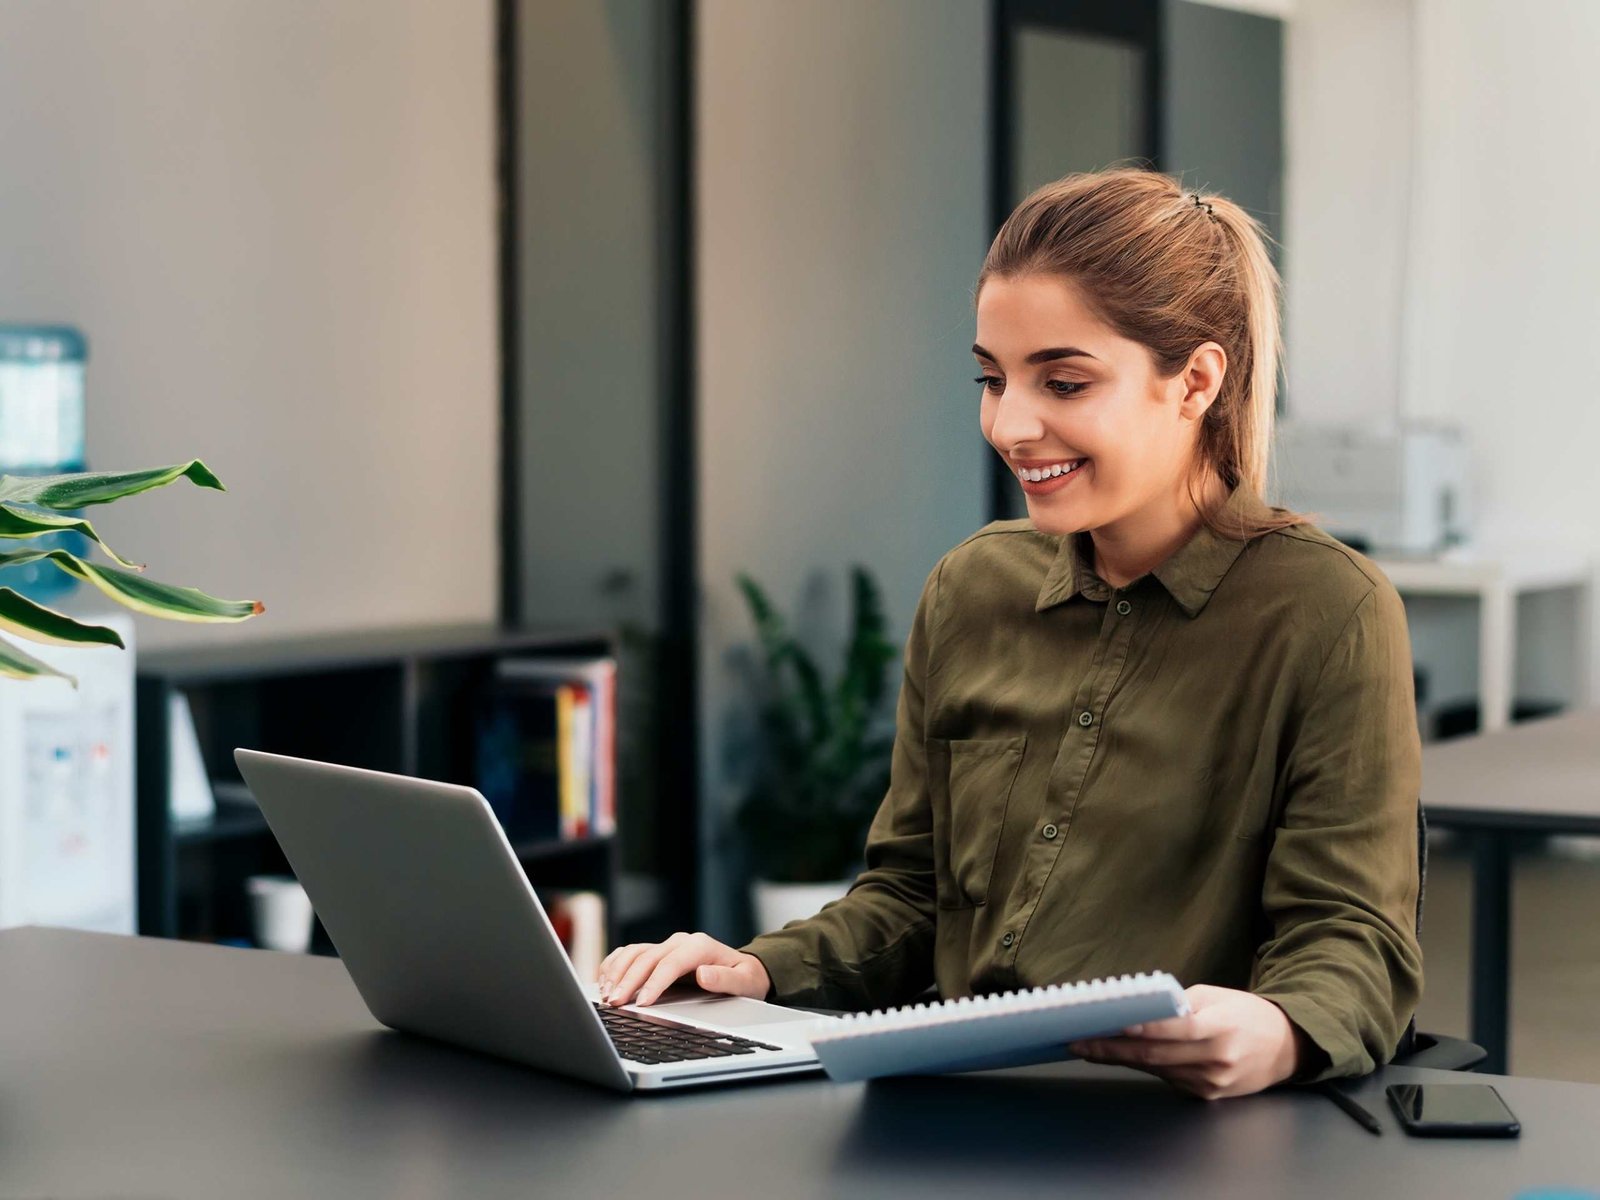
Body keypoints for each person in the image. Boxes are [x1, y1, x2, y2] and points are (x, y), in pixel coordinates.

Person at [595, 166, 1423, 1100]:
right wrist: (758, 970)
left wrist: (1279, 1029)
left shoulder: (1329, 611)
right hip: (951, 1117)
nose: (1011, 425)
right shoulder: (972, 587)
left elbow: (1353, 939)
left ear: (1194, 380)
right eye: (992, 380)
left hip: (1172, 1131)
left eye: (1063, 381)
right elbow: (913, 896)